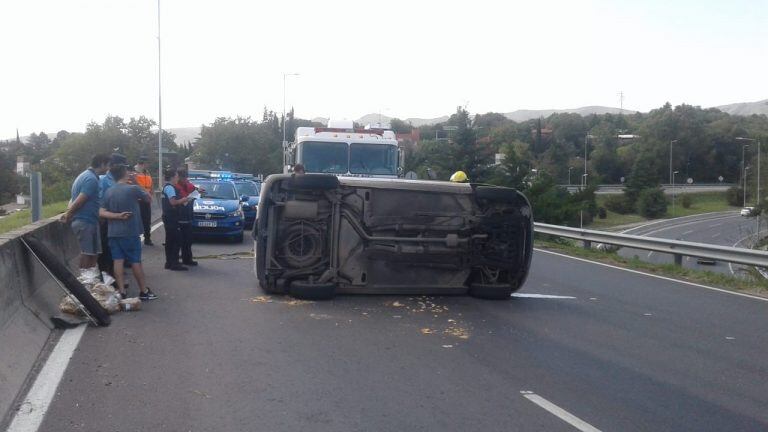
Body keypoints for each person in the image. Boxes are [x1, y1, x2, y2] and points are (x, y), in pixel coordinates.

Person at [100, 165, 157, 300]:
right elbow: (148, 198)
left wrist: (117, 216)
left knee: (117, 261)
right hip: (130, 231)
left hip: (113, 232)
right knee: (135, 261)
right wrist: (136, 182)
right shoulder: (133, 189)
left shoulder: (108, 191)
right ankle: (143, 291)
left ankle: (121, 292)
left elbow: (101, 211)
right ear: (125, 174)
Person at [61, 154, 111, 270]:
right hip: (85, 221)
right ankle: (85, 281)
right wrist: (68, 214)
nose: (108, 169)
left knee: (93, 254)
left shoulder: (85, 176)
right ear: (102, 163)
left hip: (90, 221)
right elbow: (79, 200)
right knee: (87, 253)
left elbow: (73, 199)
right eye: (107, 165)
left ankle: (90, 281)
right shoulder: (91, 179)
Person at [97, 153, 129, 278]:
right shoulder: (104, 180)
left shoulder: (120, 180)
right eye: (123, 167)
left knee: (116, 249)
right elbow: (99, 201)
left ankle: (115, 275)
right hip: (106, 219)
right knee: (106, 249)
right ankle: (107, 277)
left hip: (119, 219)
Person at [162, 168, 191, 271]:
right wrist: (183, 200)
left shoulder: (167, 187)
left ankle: (169, 262)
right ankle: (174, 263)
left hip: (168, 216)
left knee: (169, 240)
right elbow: (173, 202)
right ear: (173, 177)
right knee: (176, 240)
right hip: (171, 217)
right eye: (176, 176)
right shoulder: (170, 188)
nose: (177, 178)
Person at [175, 169, 198, 266]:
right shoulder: (175, 187)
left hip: (188, 216)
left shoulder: (187, 184)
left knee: (188, 240)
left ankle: (187, 259)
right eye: (183, 177)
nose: (185, 179)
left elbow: (193, 188)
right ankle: (175, 261)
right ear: (179, 177)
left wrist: (198, 190)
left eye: (186, 177)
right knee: (178, 241)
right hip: (179, 216)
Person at [133, 158, 154, 245]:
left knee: (147, 220)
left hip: (146, 199)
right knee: (137, 220)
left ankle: (147, 238)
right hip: (138, 200)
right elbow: (136, 185)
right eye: (146, 163)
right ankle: (135, 238)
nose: (147, 165)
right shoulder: (134, 173)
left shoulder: (147, 172)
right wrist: (146, 192)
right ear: (142, 164)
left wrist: (151, 192)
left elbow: (151, 184)